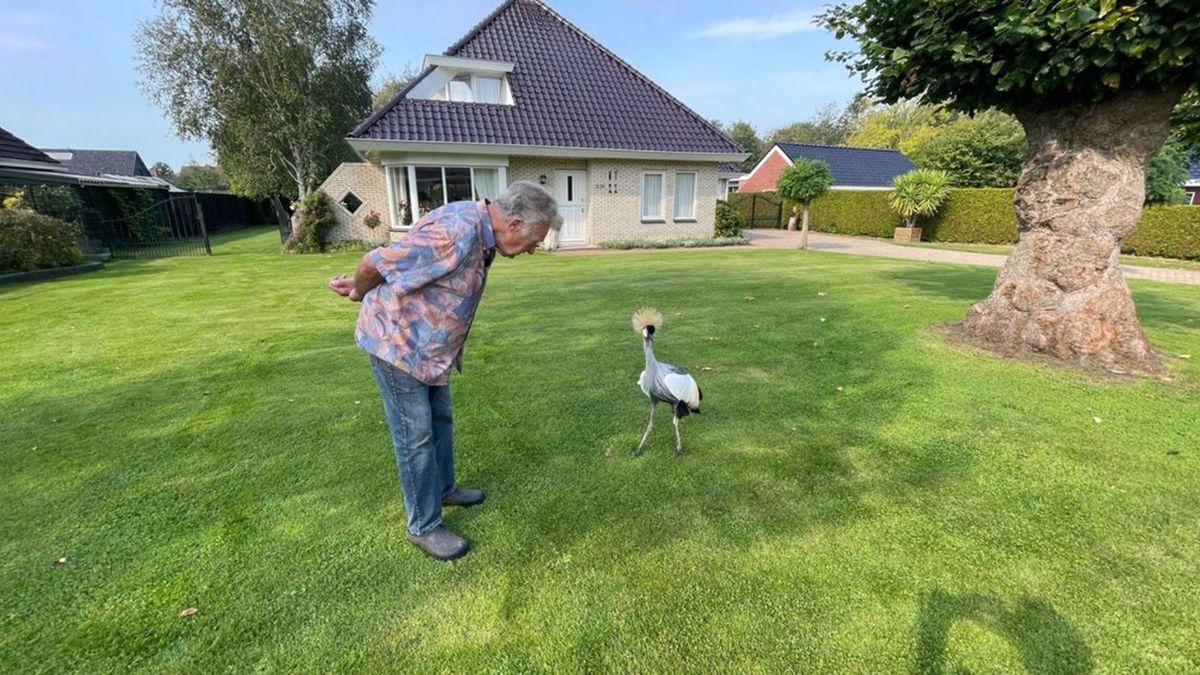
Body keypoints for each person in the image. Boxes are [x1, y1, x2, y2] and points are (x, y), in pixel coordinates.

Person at [328, 181, 561, 560]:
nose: (533, 249)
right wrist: (357, 290)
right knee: (415, 436)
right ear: (515, 224)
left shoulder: (481, 229)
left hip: (431, 352)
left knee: (441, 419)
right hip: (398, 345)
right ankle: (422, 525)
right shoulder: (456, 233)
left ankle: (443, 489)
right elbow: (375, 262)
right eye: (535, 241)